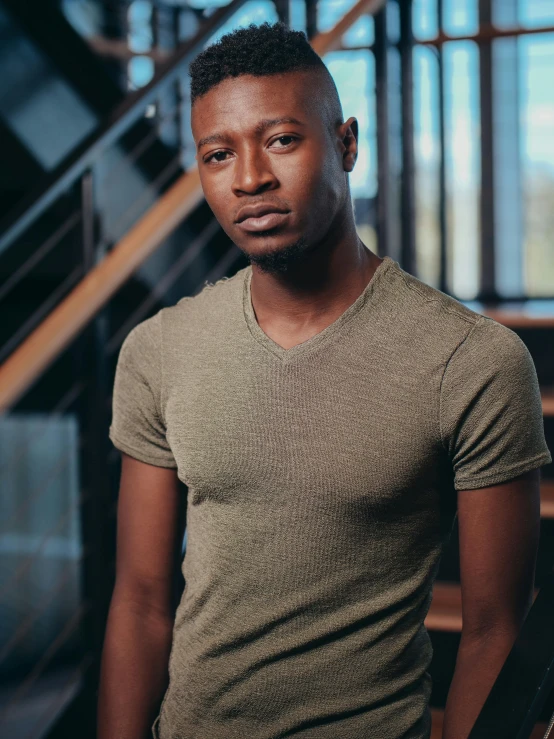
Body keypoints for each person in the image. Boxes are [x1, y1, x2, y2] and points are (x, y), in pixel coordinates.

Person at [97, 21, 552, 739]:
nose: (249, 177)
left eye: (280, 139)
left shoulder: (473, 361)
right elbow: (142, 600)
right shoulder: (160, 350)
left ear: (346, 143)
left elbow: (494, 631)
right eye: (219, 154)